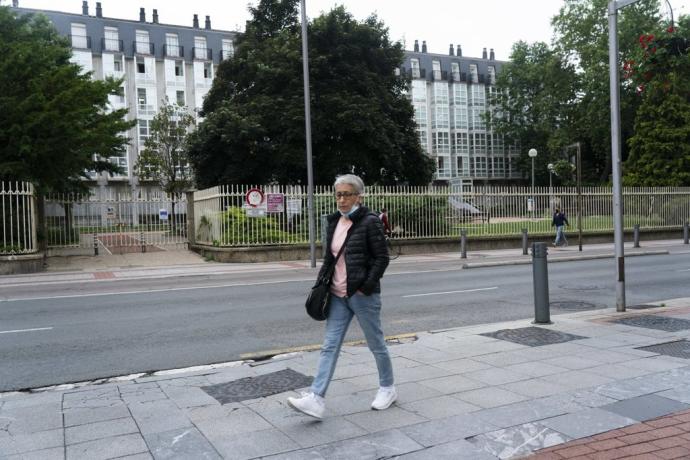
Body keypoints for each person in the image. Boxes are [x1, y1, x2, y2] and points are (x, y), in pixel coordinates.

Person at [288, 174, 395, 420]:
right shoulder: (334, 221)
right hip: (337, 296)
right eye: (338, 194)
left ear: (358, 196)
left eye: (347, 194)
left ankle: (388, 388)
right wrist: (322, 284)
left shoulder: (369, 222)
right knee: (329, 346)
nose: (342, 199)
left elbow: (382, 258)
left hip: (361, 296)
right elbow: (330, 257)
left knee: (376, 344)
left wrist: (365, 287)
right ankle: (316, 398)